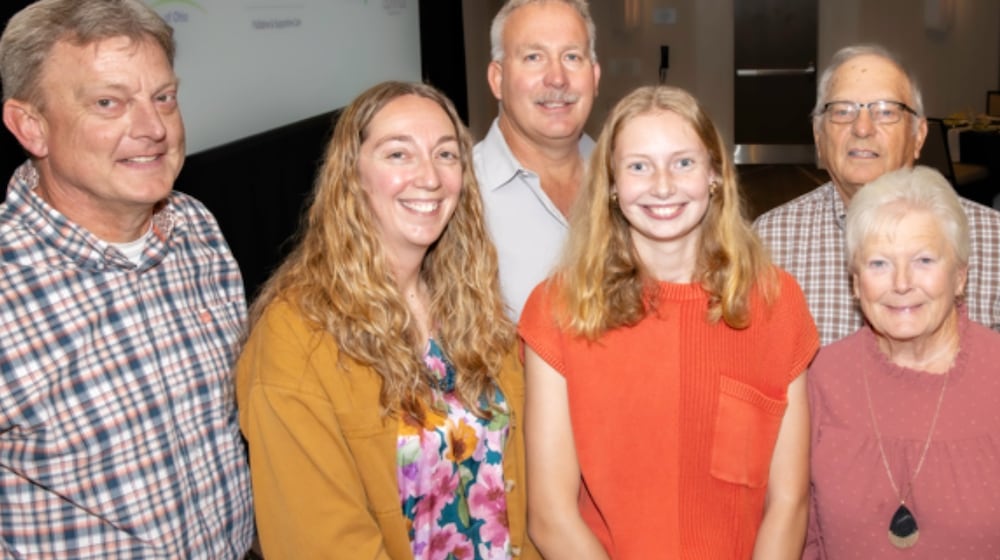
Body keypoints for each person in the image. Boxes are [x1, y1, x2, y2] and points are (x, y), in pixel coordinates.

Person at [236, 81, 538, 560]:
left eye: (446, 154)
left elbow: (524, 488)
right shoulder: (295, 336)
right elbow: (319, 544)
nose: (430, 177)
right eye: (398, 154)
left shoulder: (472, 308)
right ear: (351, 176)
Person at [519, 85, 819, 558]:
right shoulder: (558, 309)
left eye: (683, 162)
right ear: (613, 184)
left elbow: (789, 501)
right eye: (639, 165)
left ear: (715, 174)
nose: (663, 185)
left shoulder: (776, 302)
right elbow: (551, 518)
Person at [0, 0, 253, 557]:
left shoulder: (197, 230)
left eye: (163, 97)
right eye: (108, 103)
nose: (153, 128)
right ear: (31, 126)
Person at [806, 165, 1000, 557]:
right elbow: (802, 531)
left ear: (960, 276)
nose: (900, 283)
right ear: (857, 283)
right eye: (879, 263)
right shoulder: (823, 378)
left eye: (924, 260)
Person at [754, 44, 1000, 345]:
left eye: (885, 111)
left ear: (918, 135)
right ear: (819, 137)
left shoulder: (993, 240)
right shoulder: (770, 241)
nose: (862, 128)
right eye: (842, 111)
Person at [474, 0, 601, 320]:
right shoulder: (457, 195)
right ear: (496, 79)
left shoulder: (629, 179)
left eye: (572, 57)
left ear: (595, 76)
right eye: (533, 57)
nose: (557, 78)